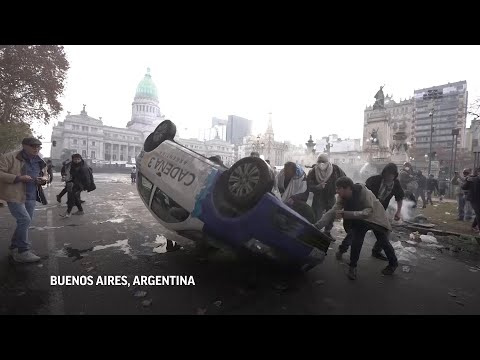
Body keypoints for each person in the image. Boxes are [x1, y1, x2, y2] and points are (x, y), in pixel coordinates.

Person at [315, 177, 398, 280]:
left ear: (348, 188)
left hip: (375, 218)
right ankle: (352, 267)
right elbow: (333, 211)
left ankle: (393, 264)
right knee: (356, 242)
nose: (336, 192)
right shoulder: (342, 197)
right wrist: (317, 226)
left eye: (338, 189)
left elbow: (368, 212)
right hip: (360, 219)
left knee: (383, 241)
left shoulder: (364, 193)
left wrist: (346, 214)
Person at [340, 163, 404, 261]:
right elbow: (363, 194)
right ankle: (342, 250)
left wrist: (398, 212)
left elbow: (399, 198)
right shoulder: (374, 180)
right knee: (355, 233)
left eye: (391, 174)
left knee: (384, 233)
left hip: (379, 213)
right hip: (365, 211)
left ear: (395, 175)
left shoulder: (396, 184)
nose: (388, 176)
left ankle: (377, 251)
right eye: (387, 173)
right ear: (384, 173)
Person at [0, 137, 48, 262]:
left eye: (38, 147)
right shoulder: (9, 157)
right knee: (24, 219)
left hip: (31, 195)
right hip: (14, 194)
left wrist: (43, 179)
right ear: (24, 146)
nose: (36, 149)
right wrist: (18, 178)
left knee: (25, 222)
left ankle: (14, 247)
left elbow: (45, 174)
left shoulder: (40, 160)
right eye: (33, 146)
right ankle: (23, 251)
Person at [307, 154, 346, 237]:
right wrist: (317, 187)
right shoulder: (313, 171)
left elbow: (344, 179)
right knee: (317, 215)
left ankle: (327, 232)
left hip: (331, 196)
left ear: (328, 161)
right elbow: (308, 186)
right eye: (319, 161)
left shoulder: (335, 169)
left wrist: (338, 188)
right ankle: (315, 232)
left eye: (323, 161)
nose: (321, 164)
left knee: (331, 215)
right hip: (318, 196)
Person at [60, 154, 91, 218]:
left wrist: (87, 186)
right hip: (72, 183)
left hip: (80, 185)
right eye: (75, 159)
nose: (77, 161)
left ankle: (68, 212)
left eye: (78, 159)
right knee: (76, 197)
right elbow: (66, 172)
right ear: (73, 159)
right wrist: (64, 177)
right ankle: (80, 210)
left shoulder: (84, 166)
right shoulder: (71, 165)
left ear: (81, 159)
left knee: (72, 197)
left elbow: (88, 177)